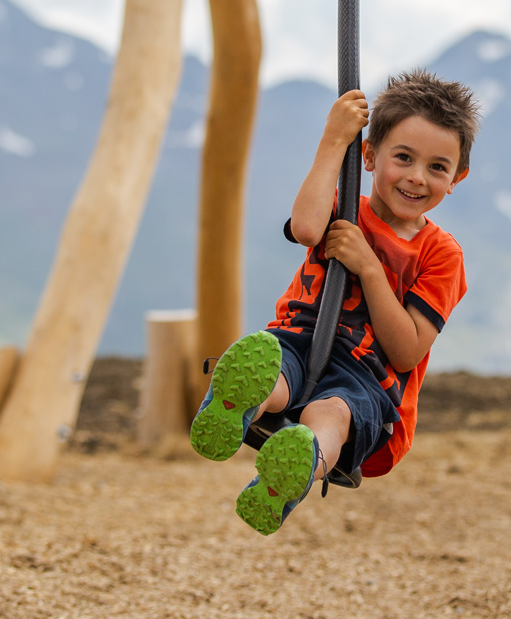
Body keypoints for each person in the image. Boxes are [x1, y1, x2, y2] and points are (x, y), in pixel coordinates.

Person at [190, 68, 480, 535]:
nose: (416, 177)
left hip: (367, 375)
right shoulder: (344, 207)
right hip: (300, 335)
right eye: (403, 157)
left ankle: (296, 466)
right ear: (369, 155)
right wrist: (332, 141)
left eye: (437, 167)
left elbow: (407, 351)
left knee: (331, 414)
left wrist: (369, 268)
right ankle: (236, 405)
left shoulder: (441, 254)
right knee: (276, 373)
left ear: (457, 178)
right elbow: (307, 229)